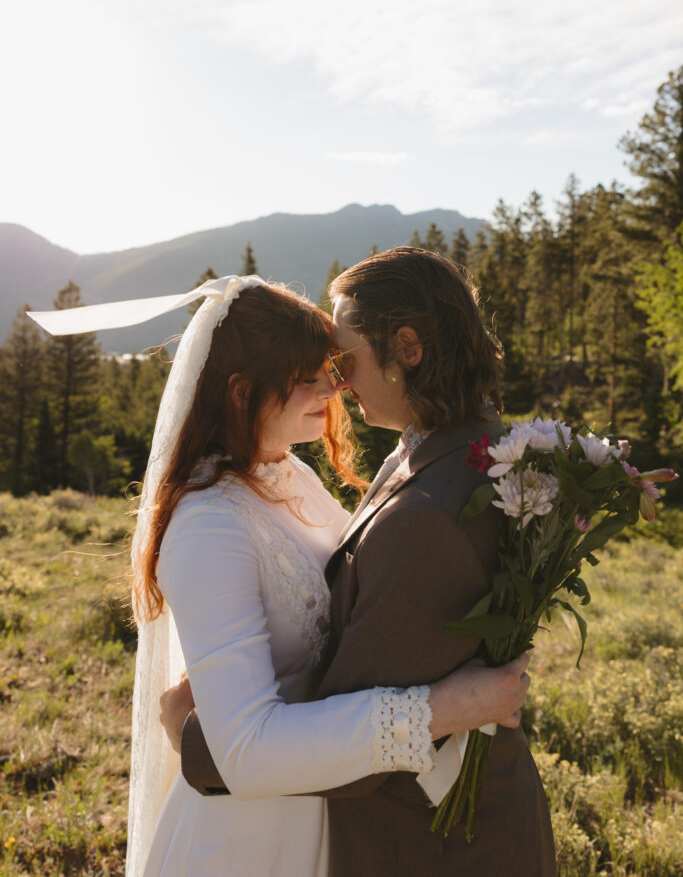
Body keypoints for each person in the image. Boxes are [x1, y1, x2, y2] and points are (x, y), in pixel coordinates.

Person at [27, 272, 531, 877]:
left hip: (322, 814)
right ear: (243, 393)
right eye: (306, 377)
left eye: (331, 366)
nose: (333, 386)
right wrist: (443, 708)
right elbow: (245, 749)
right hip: (249, 839)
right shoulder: (208, 524)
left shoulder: (291, 476)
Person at [174, 249, 556, 876]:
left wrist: (197, 741)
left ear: (406, 347)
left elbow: (361, 725)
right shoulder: (454, 449)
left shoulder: (429, 518)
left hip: (438, 848)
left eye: (343, 359)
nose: (337, 383)